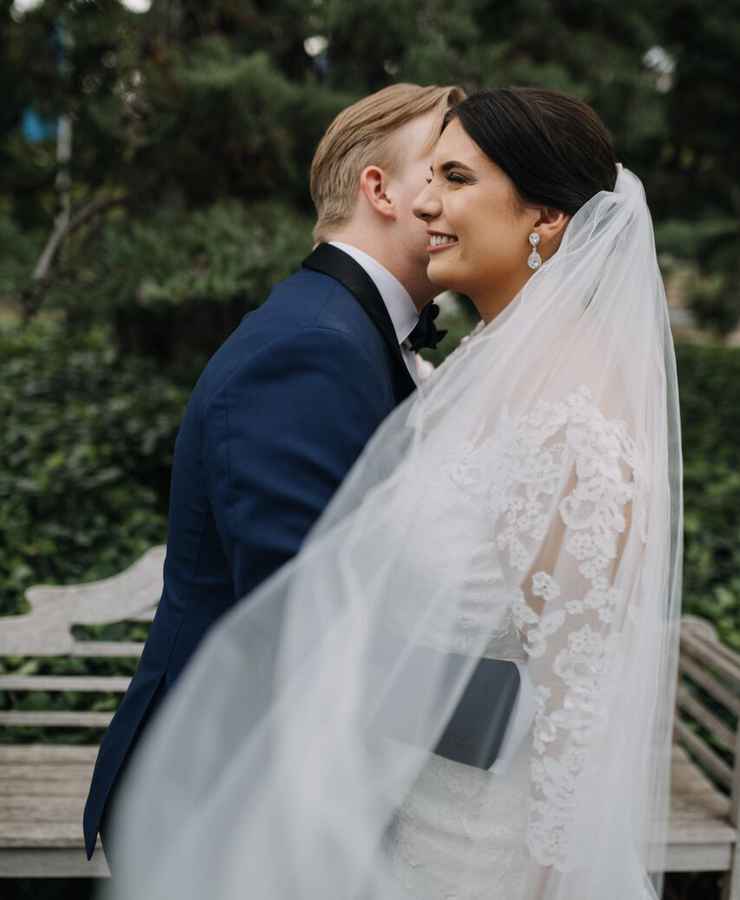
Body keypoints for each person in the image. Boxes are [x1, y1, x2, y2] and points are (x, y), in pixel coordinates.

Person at [98, 88, 682, 900]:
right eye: (429, 172)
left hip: (488, 848)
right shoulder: (465, 364)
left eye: (456, 177)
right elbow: (307, 610)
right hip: (392, 816)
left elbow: (574, 696)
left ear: (543, 220)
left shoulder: (575, 418)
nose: (428, 203)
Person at [82, 81, 465, 870]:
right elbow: (303, 623)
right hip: (217, 800)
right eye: (448, 171)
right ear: (381, 189)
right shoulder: (315, 348)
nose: (467, 195)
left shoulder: (347, 332)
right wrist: (511, 720)